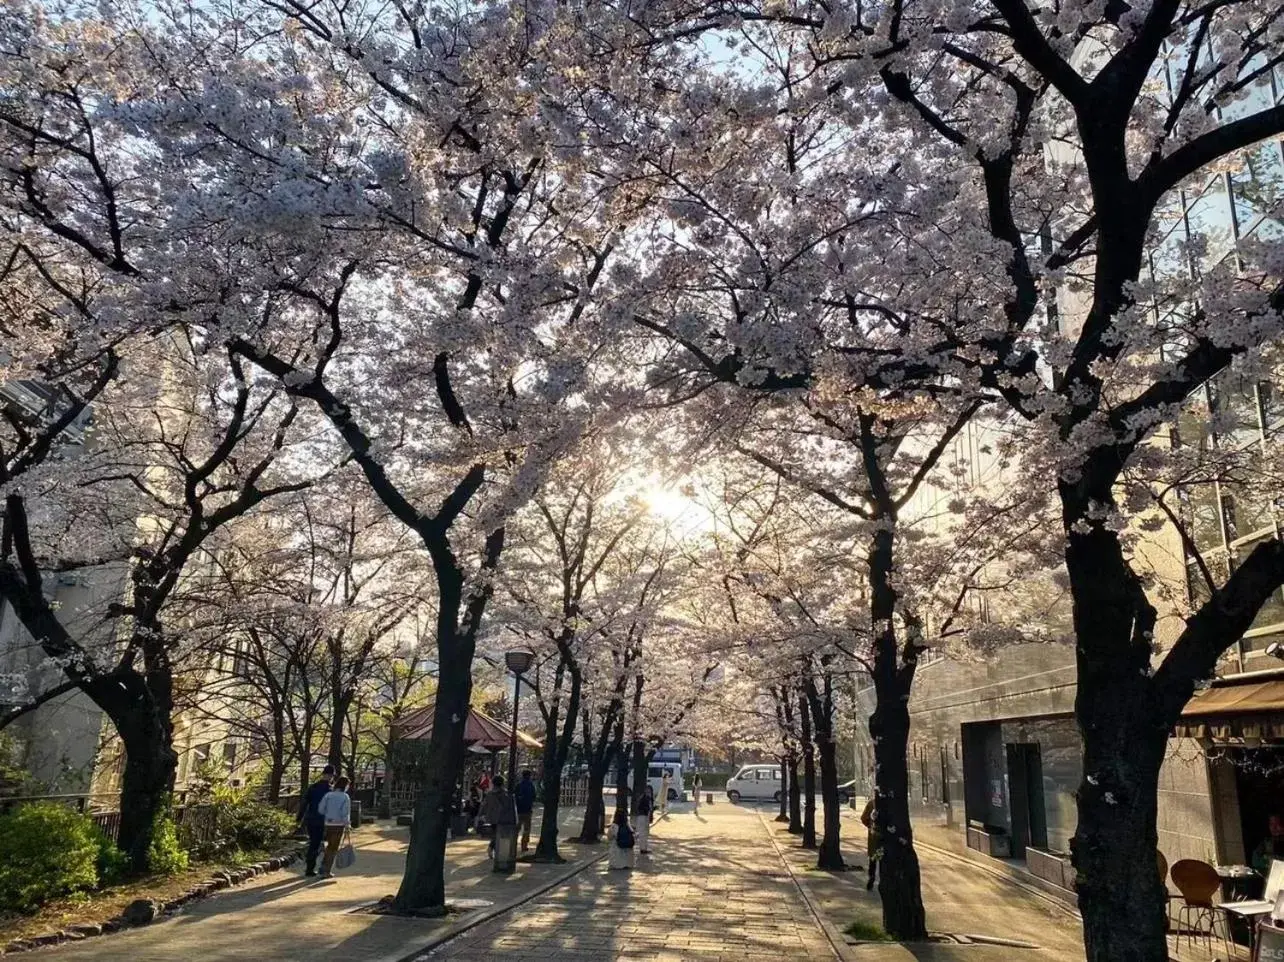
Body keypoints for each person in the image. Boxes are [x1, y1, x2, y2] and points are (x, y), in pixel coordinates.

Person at [299, 764, 336, 877]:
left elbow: (304, 803)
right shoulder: (330, 790)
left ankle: (310, 867)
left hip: (311, 818)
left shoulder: (313, 787)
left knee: (313, 843)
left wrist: (299, 818)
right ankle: (316, 868)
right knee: (320, 844)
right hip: (323, 820)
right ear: (331, 776)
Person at [317, 775, 352, 878]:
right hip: (338, 824)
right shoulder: (345, 797)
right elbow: (345, 813)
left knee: (329, 846)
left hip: (328, 823)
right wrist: (347, 825)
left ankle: (323, 867)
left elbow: (321, 809)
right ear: (345, 786)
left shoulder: (328, 795)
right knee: (333, 848)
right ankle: (325, 870)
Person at [482, 774, 517, 859]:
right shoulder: (505, 794)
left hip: (492, 818)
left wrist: (482, 815)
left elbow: (484, 805)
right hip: (502, 818)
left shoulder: (490, 794)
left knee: (495, 833)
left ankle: (492, 848)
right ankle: (493, 849)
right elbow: (507, 807)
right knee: (500, 835)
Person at [861, 796, 882, 891]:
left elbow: (863, 818)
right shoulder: (890, 803)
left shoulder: (871, 803)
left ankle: (871, 877)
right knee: (883, 859)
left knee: (873, 859)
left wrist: (870, 826)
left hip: (874, 837)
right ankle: (883, 880)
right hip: (885, 838)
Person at [515, 769, 537, 853]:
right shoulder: (531, 785)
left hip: (518, 810)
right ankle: (524, 846)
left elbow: (515, 796)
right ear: (529, 776)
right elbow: (534, 796)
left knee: (516, 829)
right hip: (528, 810)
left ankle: (513, 844)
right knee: (526, 829)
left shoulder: (518, 785)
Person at [634, 785, 654, 855]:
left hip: (646, 817)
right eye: (647, 790)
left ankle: (644, 848)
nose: (649, 792)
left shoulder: (649, 798)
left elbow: (650, 809)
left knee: (645, 833)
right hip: (642, 816)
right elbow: (641, 808)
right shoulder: (644, 798)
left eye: (650, 791)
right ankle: (642, 849)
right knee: (642, 833)